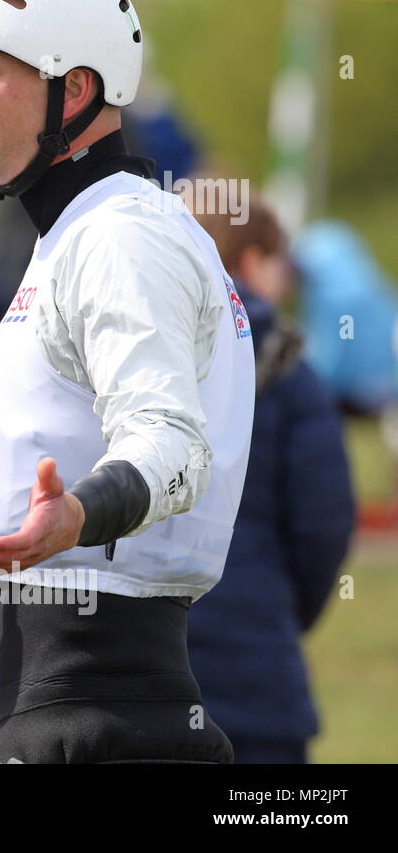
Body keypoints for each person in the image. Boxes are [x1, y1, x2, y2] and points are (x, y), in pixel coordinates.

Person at [0, 0, 254, 763]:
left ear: (73, 90)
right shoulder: (85, 229)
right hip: (74, 707)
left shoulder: (119, 235)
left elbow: (175, 448)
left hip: (99, 719)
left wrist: (77, 512)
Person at [185, 192, 354, 764]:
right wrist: (277, 612)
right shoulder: (288, 369)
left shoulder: (121, 351)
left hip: (129, 686)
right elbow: (323, 526)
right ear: (254, 260)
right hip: (257, 682)